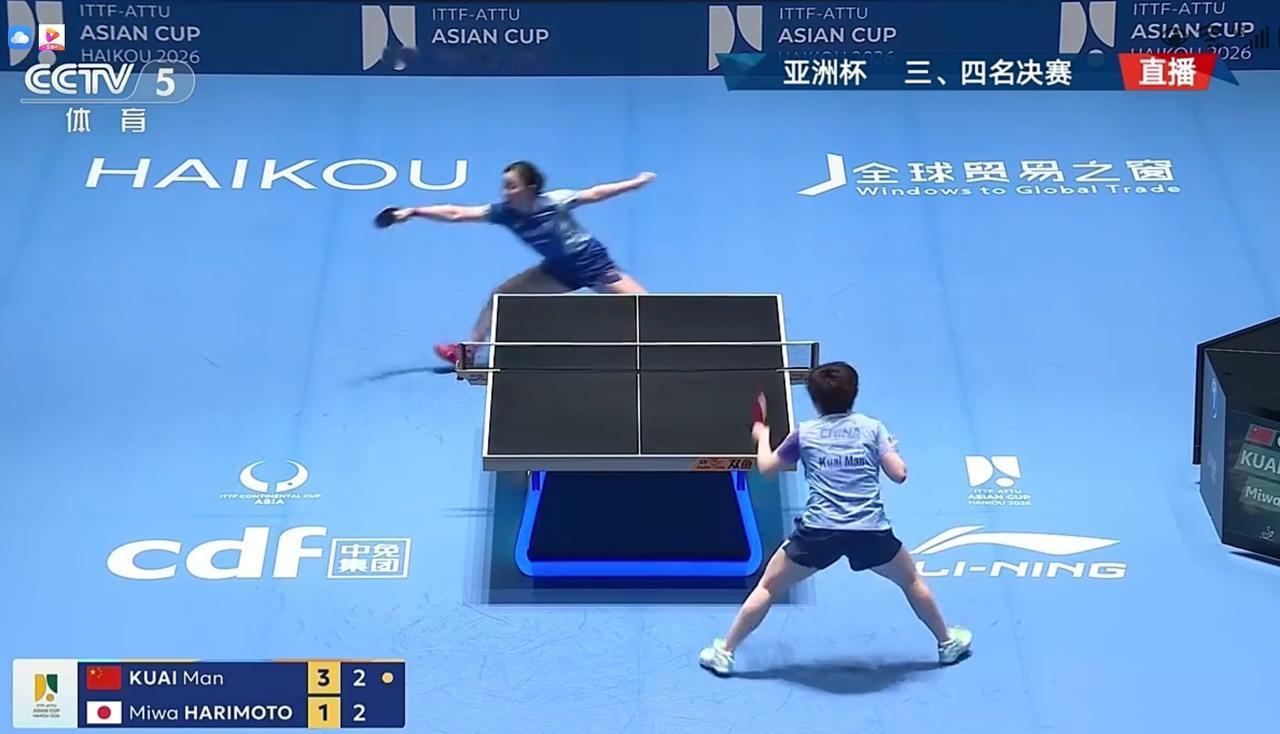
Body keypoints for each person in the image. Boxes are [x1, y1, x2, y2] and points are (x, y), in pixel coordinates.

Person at [698, 362, 972, 676]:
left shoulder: (804, 433)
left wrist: (762, 436)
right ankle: (947, 643)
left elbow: (768, 468)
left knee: (768, 588)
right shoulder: (873, 428)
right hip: (870, 531)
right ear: (854, 392)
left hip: (818, 532)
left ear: (814, 399)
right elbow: (899, 474)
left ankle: (725, 652)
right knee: (911, 582)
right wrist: (890, 451)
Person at [381, 161, 653, 364]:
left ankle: (664, 349)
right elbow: (456, 213)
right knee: (500, 296)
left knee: (649, 307)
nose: (505, 192)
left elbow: (594, 194)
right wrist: (414, 212)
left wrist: (635, 183)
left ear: (529, 189)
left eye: (511, 186)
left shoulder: (554, 202)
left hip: (593, 264)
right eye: (504, 186)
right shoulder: (504, 213)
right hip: (557, 271)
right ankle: (469, 352)